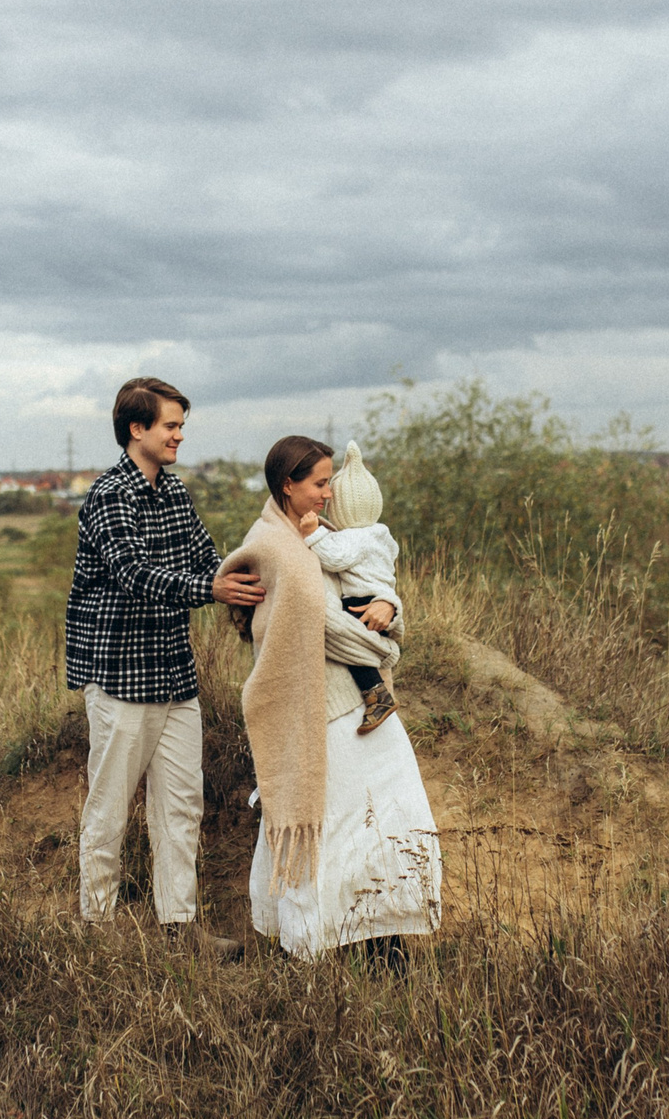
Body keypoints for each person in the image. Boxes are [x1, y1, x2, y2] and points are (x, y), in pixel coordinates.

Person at [218, 436, 442, 961]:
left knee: (389, 813)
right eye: (319, 484)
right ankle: (320, 939)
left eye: (330, 484)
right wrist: (384, 642)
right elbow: (322, 628)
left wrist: (390, 607)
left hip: (354, 701)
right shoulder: (277, 548)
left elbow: (371, 589)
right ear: (288, 484)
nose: (327, 495)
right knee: (336, 824)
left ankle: (380, 933)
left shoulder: (325, 536)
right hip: (320, 708)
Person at [64, 377, 265, 958]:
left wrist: (270, 561)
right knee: (108, 807)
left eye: (180, 425)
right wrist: (211, 587)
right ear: (137, 429)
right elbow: (134, 575)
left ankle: (180, 929)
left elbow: (210, 559)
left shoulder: (173, 494)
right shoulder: (109, 497)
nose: (180, 435)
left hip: (174, 676)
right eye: (170, 425)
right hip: (122, 676)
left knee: (181, 806)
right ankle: (95, 931)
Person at [304, 441, 402, 735]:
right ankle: (377, 693)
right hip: (380, 598)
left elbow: (335, 558)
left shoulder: (354, 538)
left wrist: (314, 535)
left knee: (353, 650)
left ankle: (377, 694)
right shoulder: (381, 534)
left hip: (362, 602)